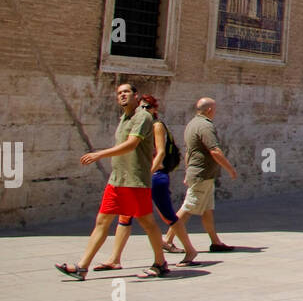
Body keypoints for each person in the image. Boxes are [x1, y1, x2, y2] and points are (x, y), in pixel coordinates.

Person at [54, 83, 173, 280]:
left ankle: (160, 263)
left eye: (126, 92)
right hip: (117, 180)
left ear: (136, 96)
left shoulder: (143, 116)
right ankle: (82, 267)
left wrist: (99, 154)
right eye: (119, 93)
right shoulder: (124, 118)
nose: (122, 95)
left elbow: (132, 144)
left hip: (135, 181)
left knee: (147, 222)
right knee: (102, 221)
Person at [93, 95, 198, 269]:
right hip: (136, 178)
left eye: (147, 106)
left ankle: (189, 250)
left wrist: (149, 172)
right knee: (124, 216)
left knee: (166, 215)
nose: (143, 109)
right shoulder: (136, 123)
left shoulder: (156, 125)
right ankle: (115, 259)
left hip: (154, 177)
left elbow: (161, 152)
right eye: (140, 106)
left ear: (154, 108)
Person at [164, 97, 238, 253]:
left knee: (207, 209)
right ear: (210, 110)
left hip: (200, 173)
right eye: (215, 109)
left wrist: (187, 170)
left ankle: (215, 242)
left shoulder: (192, 124)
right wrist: (230, 169)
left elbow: (189, 152)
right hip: (202, 173)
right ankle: (167, 240)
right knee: (188, 207)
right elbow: (214, 150)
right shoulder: (205, 126)